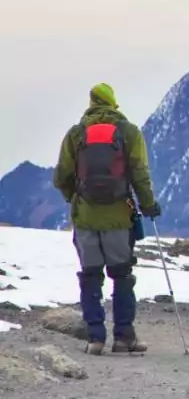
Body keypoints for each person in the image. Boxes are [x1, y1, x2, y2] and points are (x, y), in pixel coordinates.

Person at [52, 83, 161, 355]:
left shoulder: (76, 135)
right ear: (113, 103)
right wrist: (148, 205)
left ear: (91, 103)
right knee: (122, 275)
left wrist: (74, 199)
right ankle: (124, 337)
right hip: (118, 218)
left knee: (90, 277)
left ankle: (95, 338)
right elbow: (139, 173)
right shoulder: (128, 133)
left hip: (86, 218)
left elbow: (61, 177)